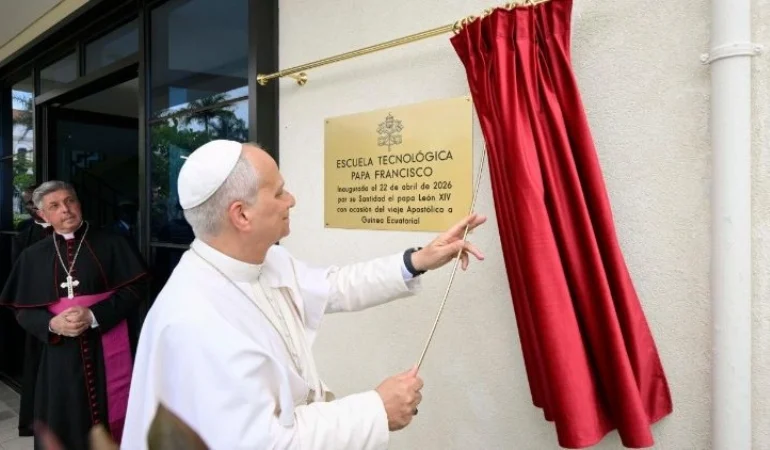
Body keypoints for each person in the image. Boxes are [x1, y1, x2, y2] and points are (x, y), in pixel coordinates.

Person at [122, 140, 487, 449]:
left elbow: (335, 285)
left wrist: (420, 259)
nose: (292, 200)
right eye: (279, 191)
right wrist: (376, 409)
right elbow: (264, 443)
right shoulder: (194, 320)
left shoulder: (268, 259)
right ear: (242, 215)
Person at [0, 181, 150, 450]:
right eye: (55, 206)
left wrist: (94, 314)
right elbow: (21, 308)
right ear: (43, 215)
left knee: (113, 416)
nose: (66, 210)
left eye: (70, 201)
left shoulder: (113, 243)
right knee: (64, 419)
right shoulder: (32, 256)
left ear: (79, 204)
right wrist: (51, 323)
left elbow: (138, 287)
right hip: (58, 355)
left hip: (108, 347)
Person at [11, 183, 53, 437]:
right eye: (28, 203)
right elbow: (20, 278)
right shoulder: (23, 234)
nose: (31, 208)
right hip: (41, 314)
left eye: (35, 202)